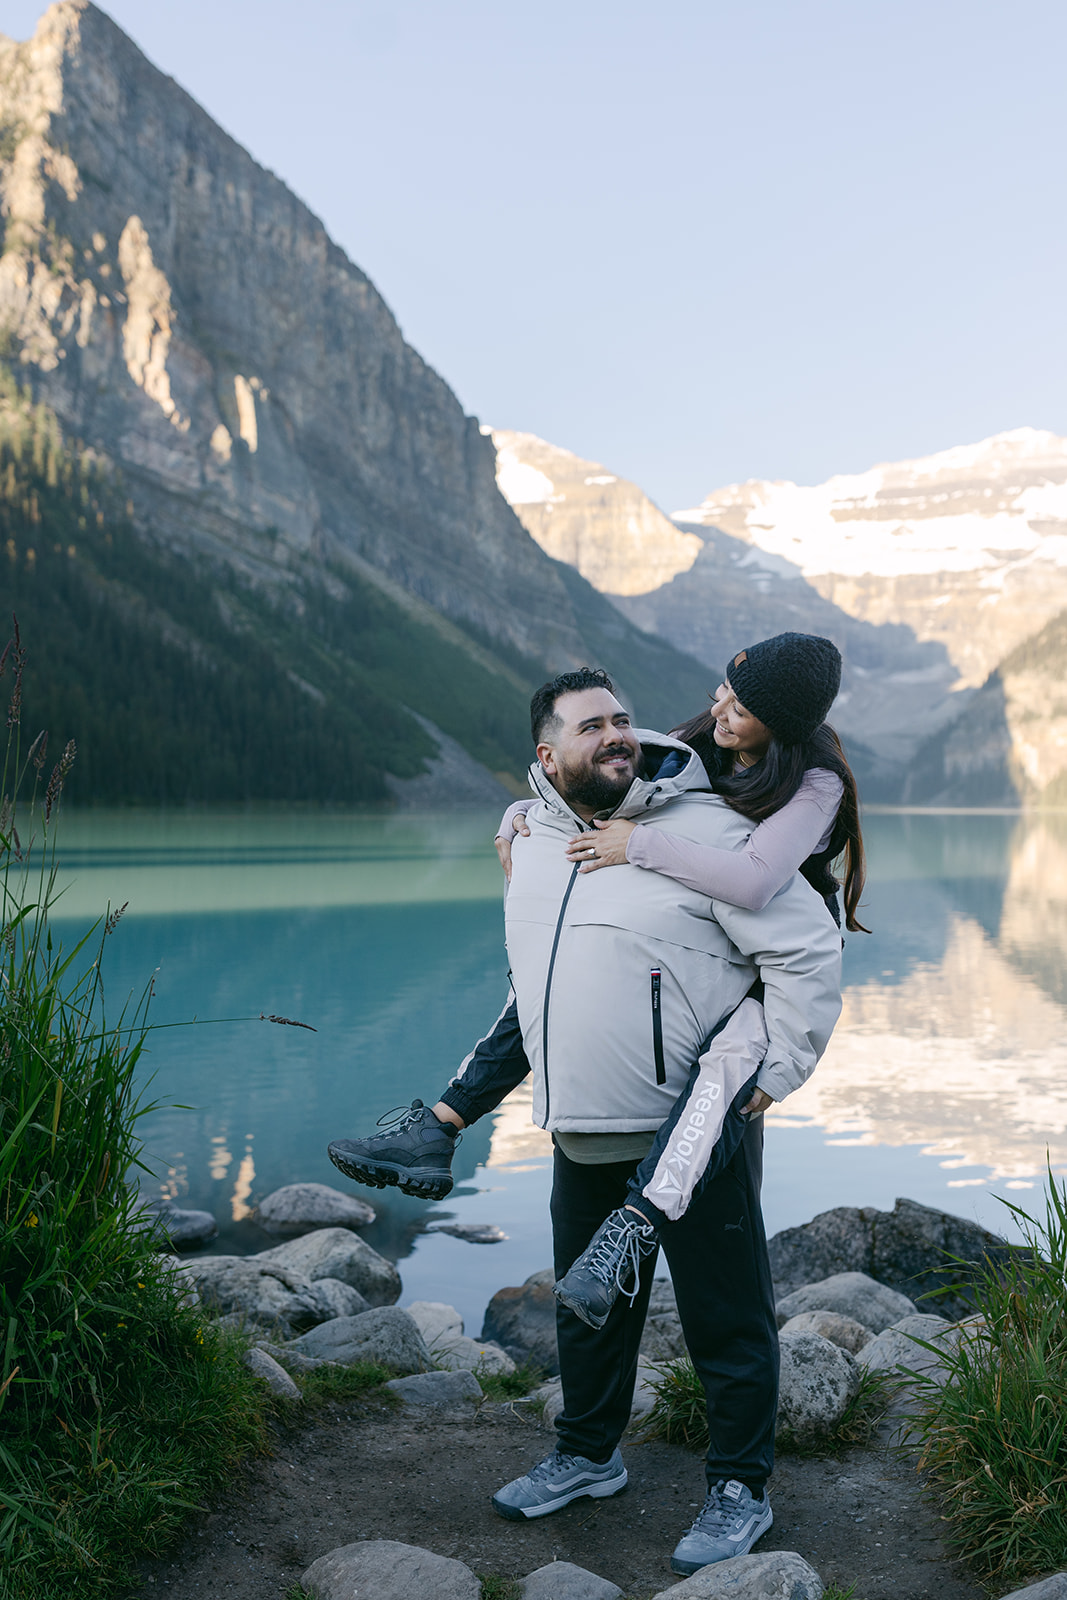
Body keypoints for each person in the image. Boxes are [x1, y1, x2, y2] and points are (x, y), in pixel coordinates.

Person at [329, 667, 843, 1572]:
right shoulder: (528, 839)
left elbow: (807, 947)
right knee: (588, 1309)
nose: (615, 736)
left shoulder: (706, 831)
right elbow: (538, 984)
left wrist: (779, 1067)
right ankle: (585, 1455)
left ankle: (737, 1489)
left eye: (622, 721)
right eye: (591, 726)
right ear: (546, 754)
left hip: (693, 1127)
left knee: (727, 1319)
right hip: (579, 1126)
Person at [330, 633, 863, 1246]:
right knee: (549, 989)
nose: (719, 712)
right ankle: (437, 1127)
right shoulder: (705, 739)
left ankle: (637, 1227)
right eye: (722, 693)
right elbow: (622, 779)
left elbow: (755, 880)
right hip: (696, 931)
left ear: (782, 727)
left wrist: (635, 844)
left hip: (763, 963)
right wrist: (523, 815)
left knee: (725, 1076)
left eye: (740, 711)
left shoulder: (817, 779)